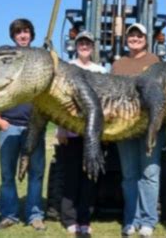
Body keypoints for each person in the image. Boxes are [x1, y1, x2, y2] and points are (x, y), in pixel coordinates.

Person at [111, 23, 166, 237]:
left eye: (139, 35)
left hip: (150, 128)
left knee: (150, 174)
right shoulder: (118, 64)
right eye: (131, 35)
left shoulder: (155, 61)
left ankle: (148, 221)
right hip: (125, 127)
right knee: (129, 175)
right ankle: (130, 220)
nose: (135, 38)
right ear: (126, 39)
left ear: (146, 38)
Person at [0, 18, 47, 231]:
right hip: (9, 126)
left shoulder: (39, 59)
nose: (23, 35)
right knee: (7, 174)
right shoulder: (6, 60)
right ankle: (9, 215)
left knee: (36, 173)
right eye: (18, 33)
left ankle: (35, 215)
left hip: (34, 126)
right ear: (13, 36)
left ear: (31, 35)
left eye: (26, 32)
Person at [55, 30, 107, 236]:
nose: (84, 46)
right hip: (72, 132)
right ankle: (69, 218)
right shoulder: (68, 68)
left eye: (87, 43)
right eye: (80, 43)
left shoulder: (101, 70)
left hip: (93, 135)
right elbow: (61, 101)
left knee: (89, 177)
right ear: (76, 46)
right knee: (71, 177)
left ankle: (85, 218)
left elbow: (104, 101)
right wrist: (60, 129)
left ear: (93, 47)